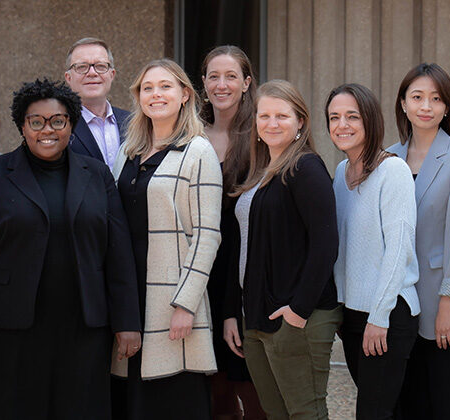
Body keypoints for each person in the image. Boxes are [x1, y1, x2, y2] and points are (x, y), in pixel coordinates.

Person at [0, 78, 141, 420]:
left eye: (58, 121)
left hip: (84, 327)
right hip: (11, 330)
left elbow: (118, 252)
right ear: (23, 126)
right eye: (36, 121)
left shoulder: (97, 175)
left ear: (71, 124)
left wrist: (127, 321)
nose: (46, 130)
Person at [111, 58, 222, 420]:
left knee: (174, 399)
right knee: (133, 401)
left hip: (171, 299)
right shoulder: (126, 153)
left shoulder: (198, 151)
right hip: (131, 295)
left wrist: (186, 304)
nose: (155, 94)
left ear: (185, 94)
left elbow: (207, 235)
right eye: (147, 88)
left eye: (165, 86)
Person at [224, 79, 342, 420]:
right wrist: (235, 311)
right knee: (276, 414)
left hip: (295, 318)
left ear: (300, 122)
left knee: (306, 413)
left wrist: (299, 311)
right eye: (265, 116)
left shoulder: (305, 168)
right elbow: (242, 246)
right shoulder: (259, 173)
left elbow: (325, 244)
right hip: (257, 316)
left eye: (282, 116)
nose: (272, 124)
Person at [326, 83, 420, 419]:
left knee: (372, 413)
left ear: (370, 120)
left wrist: (379, 317)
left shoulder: (392, 171)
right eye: (334, 117)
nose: (342, 125)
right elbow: (343, 250)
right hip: (352, 316)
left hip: (388, 315)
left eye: (352, 116)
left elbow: (398, 249)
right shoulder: (340, 173)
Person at [388, 63, 450, 420]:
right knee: (410, 400)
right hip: (399, 300)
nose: (426, 106)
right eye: (417, 97)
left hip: (442, 300)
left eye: (436, 99)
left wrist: (449, 303)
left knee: (445, 400)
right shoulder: (388, 158)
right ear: (403, 103)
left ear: (447, 107)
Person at [200, 45, 265, 420]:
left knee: (251, 390)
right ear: (204, 83)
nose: (221, 84)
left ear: (246, 82)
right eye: (213, 76)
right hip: (203, 274)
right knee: (214, 391)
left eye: (230, 76)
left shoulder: (262, 132)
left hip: (244, 274)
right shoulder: (190, 134)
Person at [64, 37, 130, 168]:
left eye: (101, 66)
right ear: (68, 78)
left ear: (112, 75)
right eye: (82, 67)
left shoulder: (133, 122)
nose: (92, 73)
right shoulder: (59, 125)